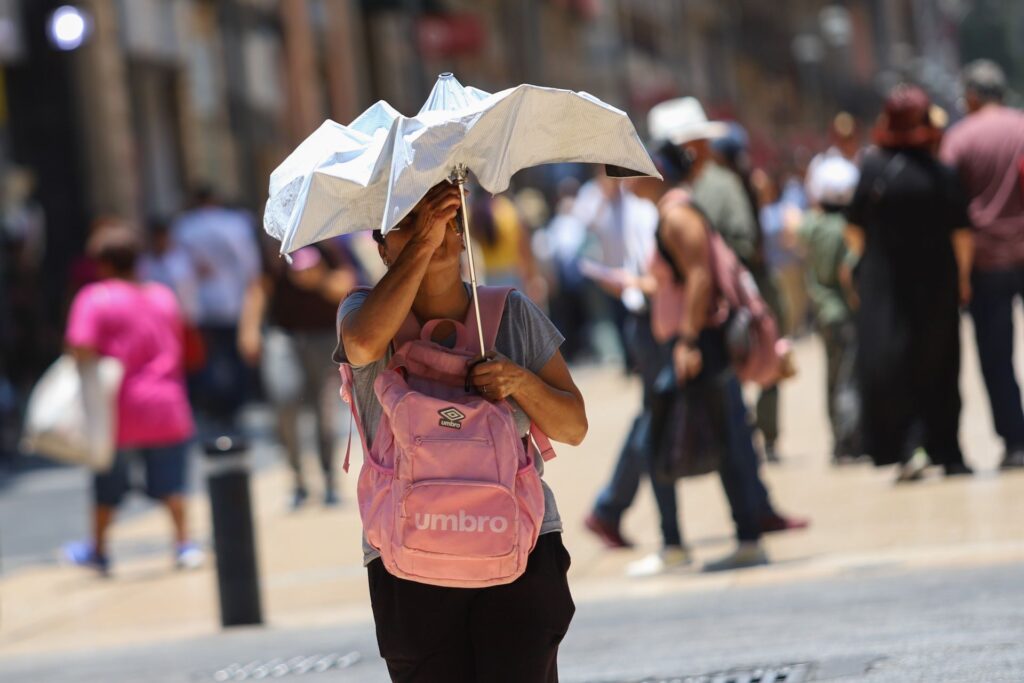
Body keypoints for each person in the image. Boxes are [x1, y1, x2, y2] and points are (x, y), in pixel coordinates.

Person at [336, 182, 585, 680]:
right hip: (407, 556)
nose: (429, 230)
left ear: (463, 233)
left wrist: (519, 381)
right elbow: (362, 345)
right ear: (382, 247)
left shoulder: (509, 312)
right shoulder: (361, 313)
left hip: (520, 545)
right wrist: (424, 241)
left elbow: (573, 425)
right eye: (406, 224)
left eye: (442, 219)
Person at [640, 112, 808, 571]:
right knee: (724, 436)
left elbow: (699, 275)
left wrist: (688, 342)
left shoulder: (676, 213)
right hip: (694, 342)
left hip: (697, 344)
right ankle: (727, 537)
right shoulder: (677, 207)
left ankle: (697, 542)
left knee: (679, 439)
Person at [845, 84, 974, 480]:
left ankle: (905, 447)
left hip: (885, 285)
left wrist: (860, 271)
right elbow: (961, 235)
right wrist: (964, 279)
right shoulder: (943, 174)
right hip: (936, 282)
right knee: (940, 364)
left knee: (894, 369)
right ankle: (947, 450)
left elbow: (853, 231)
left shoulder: (872, 169)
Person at [62, 224, 201, 574]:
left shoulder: (94, 298)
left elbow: (80, 346)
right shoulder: (162, 296)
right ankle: (184, 544)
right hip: (166, 404)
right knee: (172, 484)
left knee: (107, 486)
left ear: (103, 264)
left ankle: (98, 550)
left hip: (117, 411)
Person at [579, 163, 689, 577]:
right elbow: (582, 240)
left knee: (651, 417)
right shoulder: (611, 203)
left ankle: (611, 507)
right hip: (648, 321)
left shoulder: (648, 207)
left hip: (651, 318)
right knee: (654, 420)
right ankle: (620, 512)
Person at [940, 60, 1024, 470]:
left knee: (996, 354)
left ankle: (1016, 441)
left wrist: (958, 275)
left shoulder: (958, 139)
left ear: (972, 95)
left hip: (985, 260)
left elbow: (951, 210)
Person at [238, 241, 358, 509]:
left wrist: (318, 280)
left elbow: (347, 285)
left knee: (324, 412)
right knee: (284, 401)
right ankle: (297, 481)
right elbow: (259, 288)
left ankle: (329, 480)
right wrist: (249, 330)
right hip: (284, 335)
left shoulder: (329, 246)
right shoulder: (275, 246)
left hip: (325, 337)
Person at [171, 186, 261, 431]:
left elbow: (179, 268)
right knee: (234, 358)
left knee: (209, 359)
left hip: (201, 305)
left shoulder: (184, 227)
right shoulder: (236, 224)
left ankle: (214, 409)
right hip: (234, 301)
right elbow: (251, 266)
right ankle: (235, 409)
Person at [800, 156, 862, 463]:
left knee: (833, 378)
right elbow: (848, 274)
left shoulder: (812, 226)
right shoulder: (846, 230)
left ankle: (838, 441)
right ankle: (850, 443)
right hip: (845, 313)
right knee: (849, 380)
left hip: (823, 314)